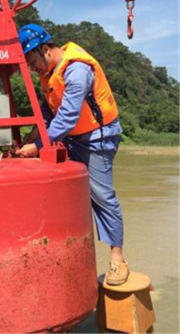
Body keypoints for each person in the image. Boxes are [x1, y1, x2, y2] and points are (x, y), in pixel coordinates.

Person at [17, 23, 129, 286]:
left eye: (31, 60)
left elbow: (67, 117)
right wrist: (32, 137)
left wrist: (39, 146)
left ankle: (117, 258)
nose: (32, 68)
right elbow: (48, 112)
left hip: (97, 139)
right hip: (72, 139)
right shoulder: (49, 74)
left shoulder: (77, 70)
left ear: (45, 50)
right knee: (54, 184)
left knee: (101, 195)